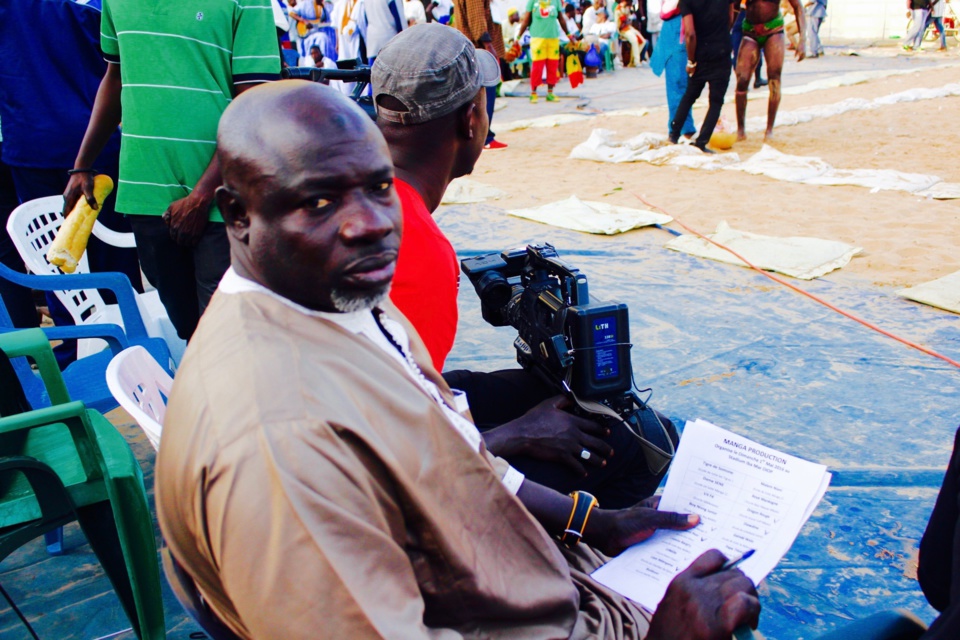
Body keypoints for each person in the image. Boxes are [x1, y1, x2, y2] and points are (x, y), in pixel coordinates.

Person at [156, 73, 761, 639]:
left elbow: (448, 451)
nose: (369, 224)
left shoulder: (335, 299)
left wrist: (593, 523)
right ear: (237, 214)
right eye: (319, 202)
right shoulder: (279, 446)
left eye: (378, 187)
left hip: (507, 579)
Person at [376, 24, 677, 508]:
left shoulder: (366, 198)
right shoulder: (414, 245)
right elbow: (390, 455)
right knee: (639, 445)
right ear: (472, 119)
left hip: (350, 426)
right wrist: (515, 435)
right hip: (375, 486)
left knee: (526, 389)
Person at [62, 0, 281, 342]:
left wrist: (202, 194)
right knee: (188, 329)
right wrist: (82, 164)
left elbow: (254, 103)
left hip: (225, 195)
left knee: (228, 332)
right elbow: (115, 76)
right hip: (145, 192)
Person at [0, 0, 146, 364]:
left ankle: (77, 350)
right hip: (95, 140)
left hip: (32, 142)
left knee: (56, 257)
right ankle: (130, 345)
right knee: (109, 256)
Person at [668, 0, 735, 153]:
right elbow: (730, 18)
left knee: (690, 95)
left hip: (701, 53)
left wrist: (691, 61)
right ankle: (701, 142)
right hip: (722, 51)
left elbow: (690, 34)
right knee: (716, 101)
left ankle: (674, 134)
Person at [734, 0, 805, 141]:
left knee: (774, 77)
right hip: (750, 30)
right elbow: (734, 8)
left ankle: (769, 129)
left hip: (774, 31)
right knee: (742, 80)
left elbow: (798, 6)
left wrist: (802, 39)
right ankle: (741, 129)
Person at [453, 0, 509, 148]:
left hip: (472, 46)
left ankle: (482, 135)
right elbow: (476, 18)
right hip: (479, 48)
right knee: (485, 94)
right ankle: (484, 138)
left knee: (476, 95)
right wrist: (489, 45)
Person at [650, 0, 696, 139]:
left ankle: (682, 127)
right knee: (678, 83)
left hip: (683, 28)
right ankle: (682, 128)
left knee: (683, 84)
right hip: (677, 32)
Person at [517, 0, 577, 101]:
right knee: (537, 66)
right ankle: (534, 93)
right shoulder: (532, 1)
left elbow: (561, 19)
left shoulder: (556, 1)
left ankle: (550, 93)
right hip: (538, 38)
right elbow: (526, 20)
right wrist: (518, 38)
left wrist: (569, 35)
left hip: (553, 38)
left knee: (552, 65)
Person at [616, 0, 647, 66]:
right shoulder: (618, 8)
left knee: (643, 41)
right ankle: (636, 61)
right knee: (634, 40)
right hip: (622, 29)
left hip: (629, 27)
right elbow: (621, 23)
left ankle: (632, 60)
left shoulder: (627, 8)